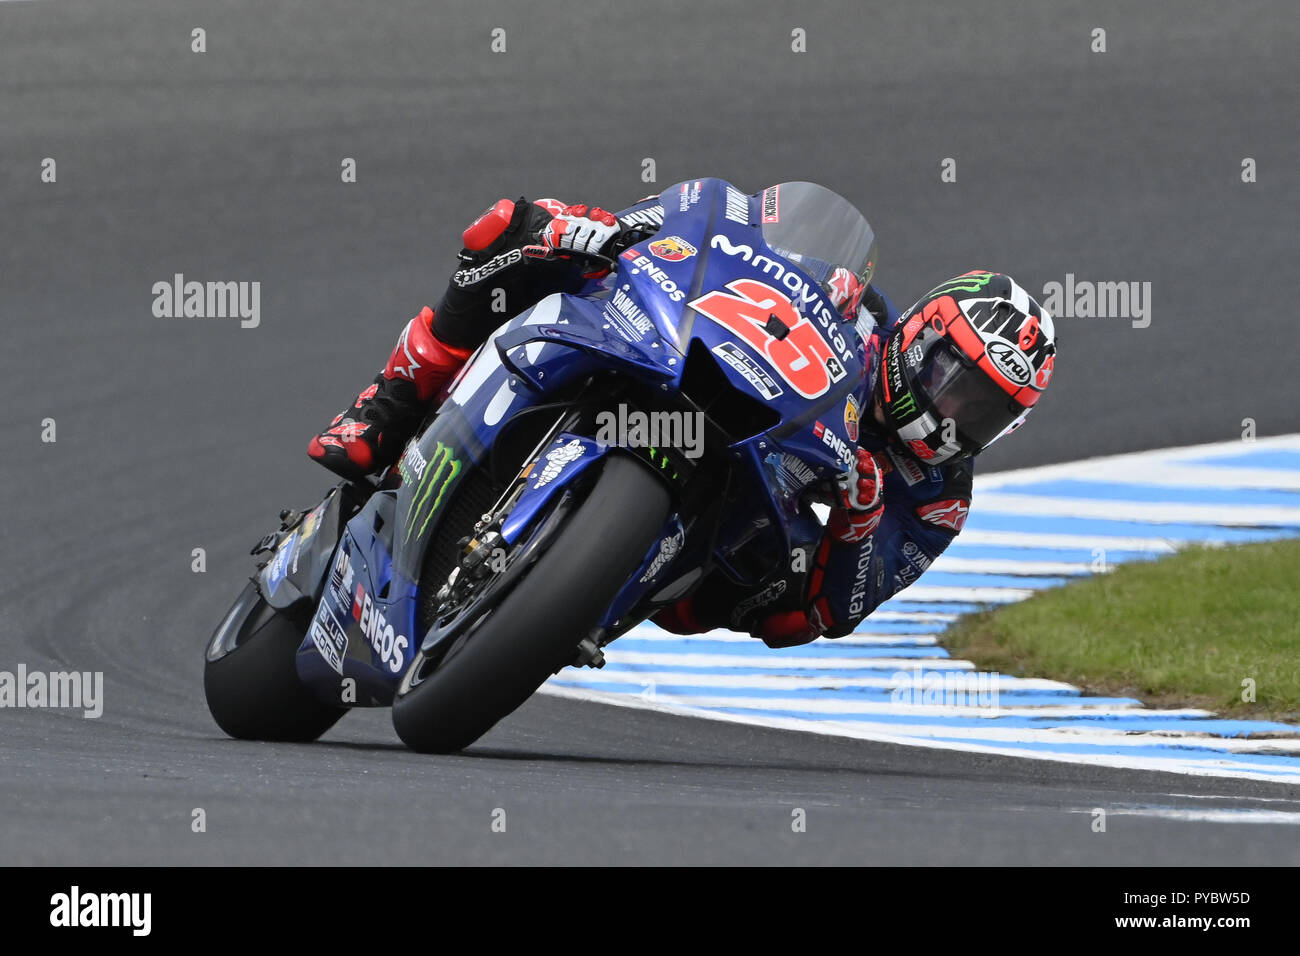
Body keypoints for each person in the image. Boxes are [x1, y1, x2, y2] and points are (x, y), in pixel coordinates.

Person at [307, 187, 1057, 647]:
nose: (951, 414)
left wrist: (856, 522)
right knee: (512, 226)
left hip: (736, 524)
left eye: (982, 412)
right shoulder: (853, 307)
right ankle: (389, 403)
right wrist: (625, 231)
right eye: (953, 382)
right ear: (923, 336)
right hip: (695, 374)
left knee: (782, 595)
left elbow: (827, 616)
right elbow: (730, 236)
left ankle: (590, 586)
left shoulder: (940, 497)